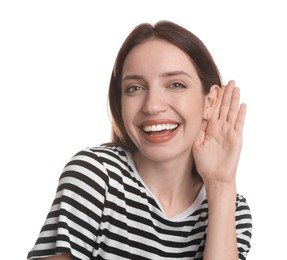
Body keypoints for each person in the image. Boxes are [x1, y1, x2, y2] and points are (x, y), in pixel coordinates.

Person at [27, 20, 252, 260]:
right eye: (135, 88)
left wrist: (220, 185)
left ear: (209, 102)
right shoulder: (95, 176)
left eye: (176, 84)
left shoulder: (233, 210)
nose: (152, 105)